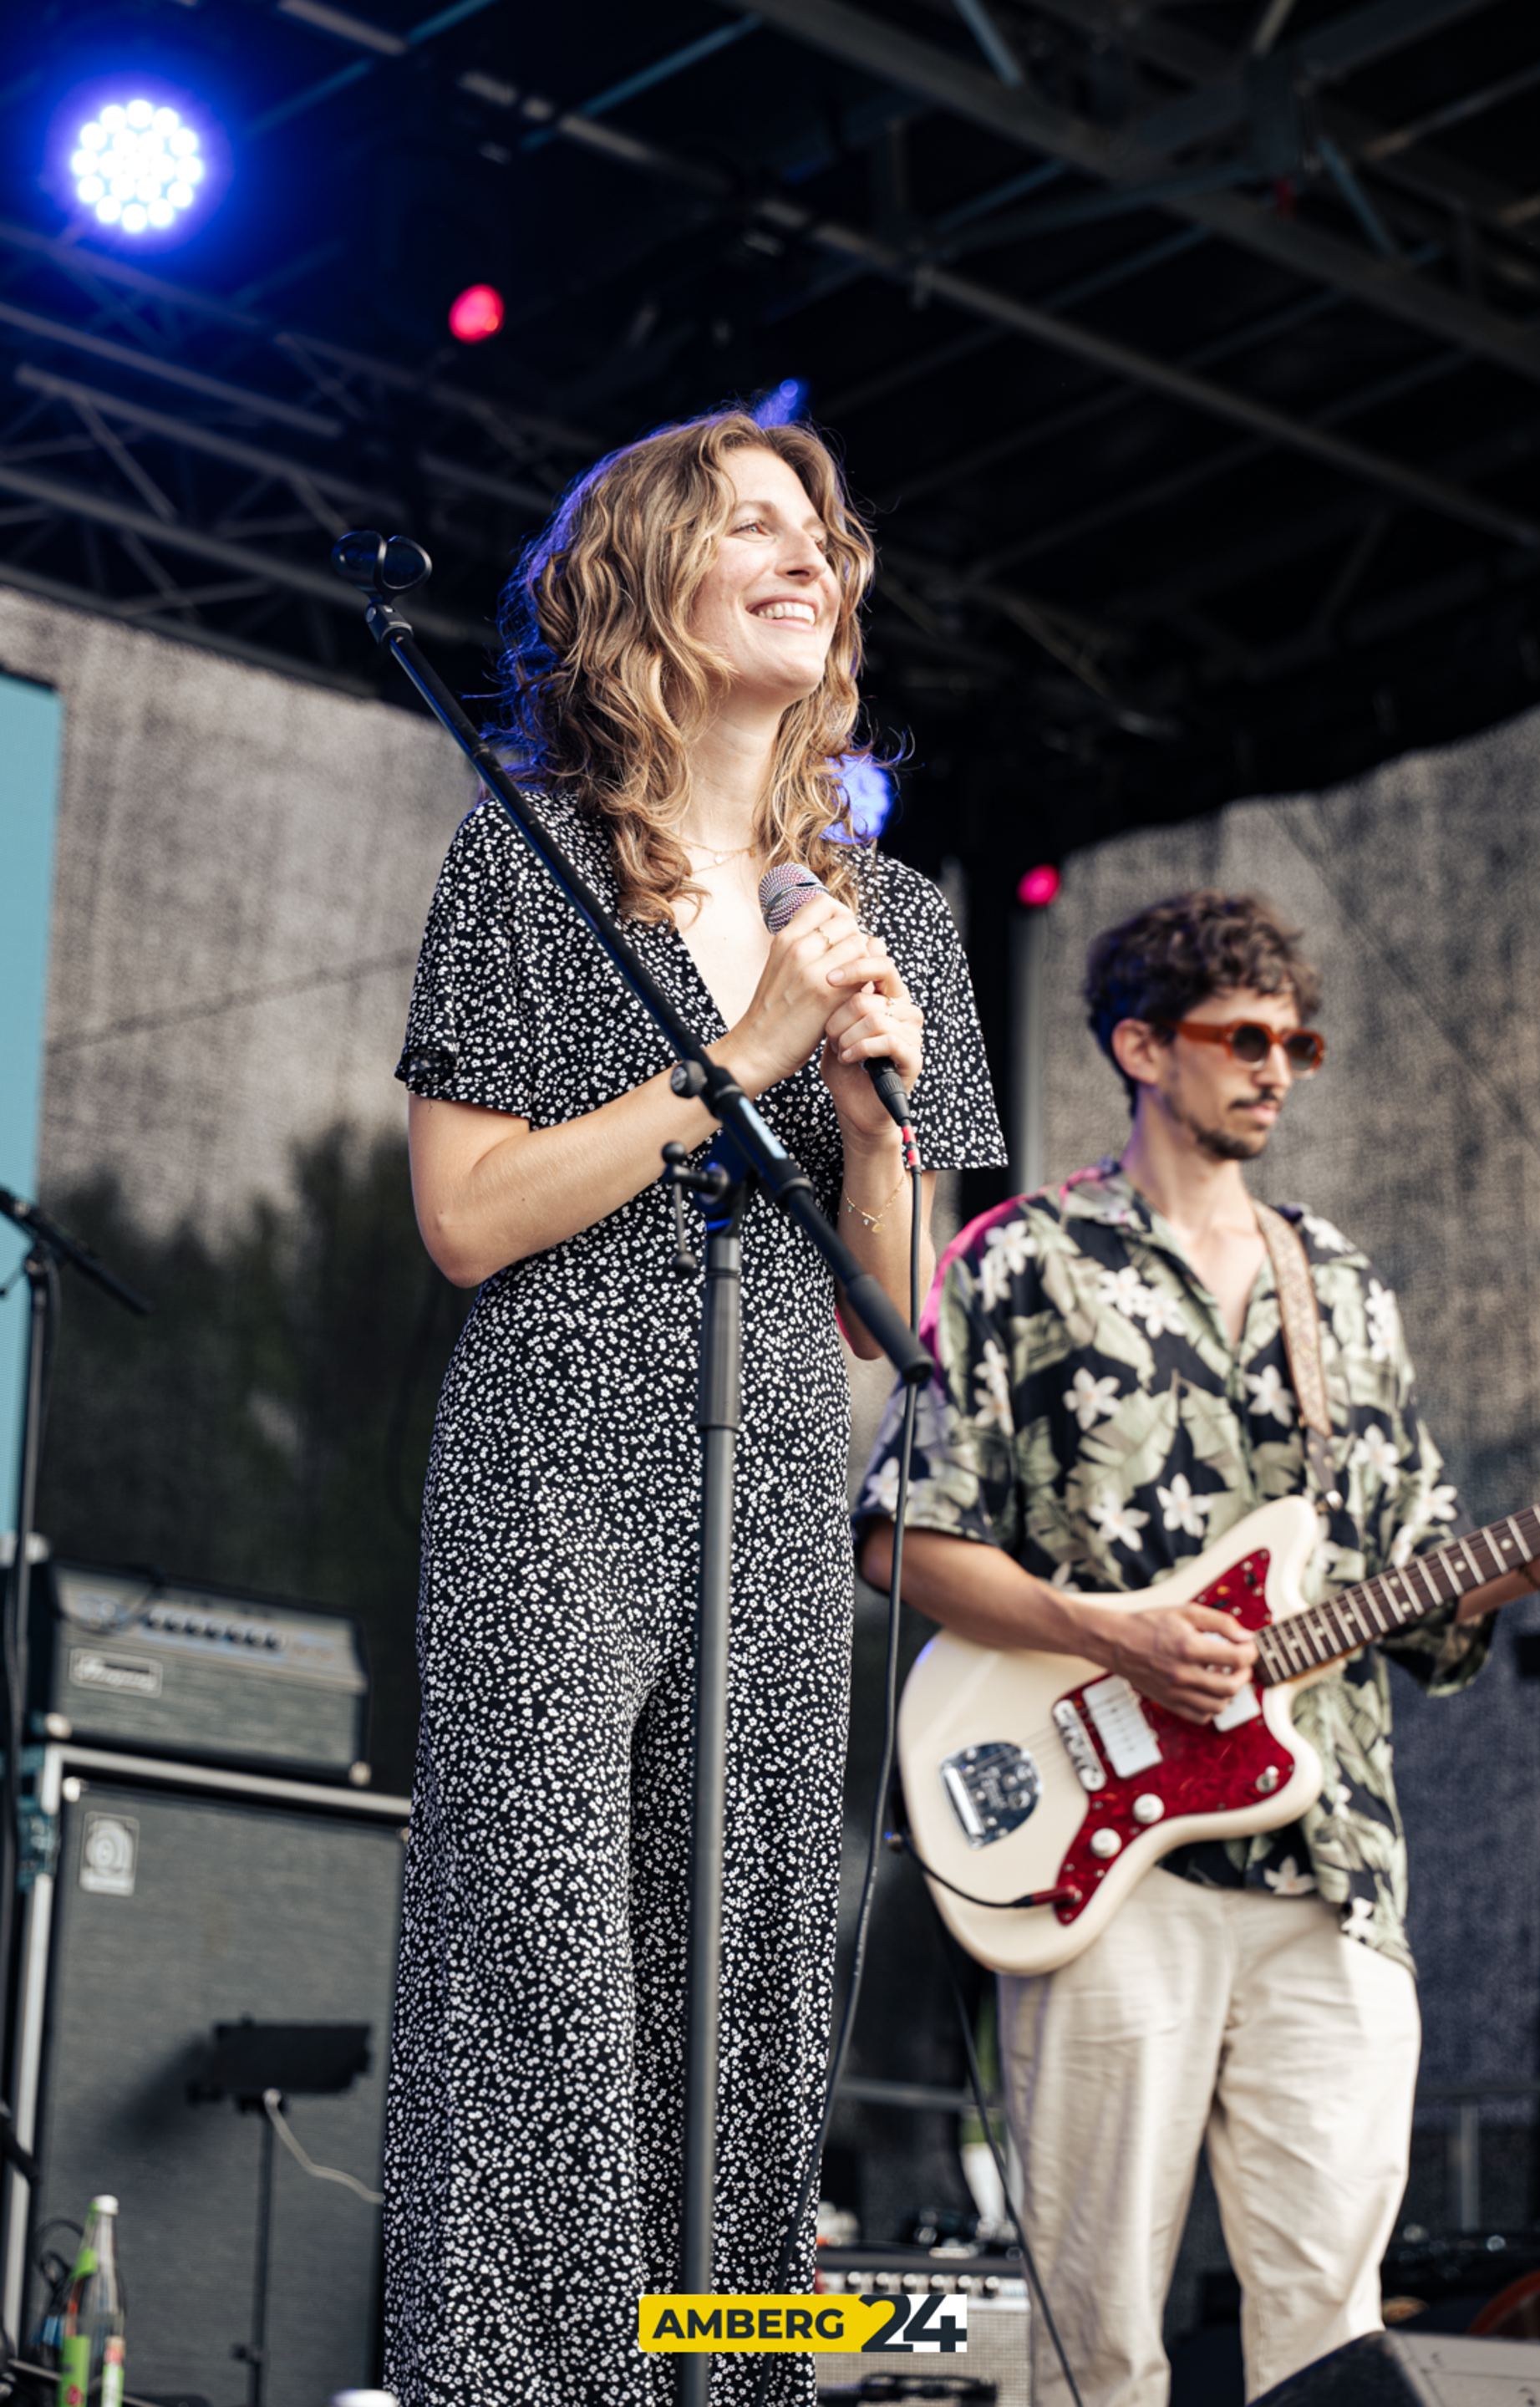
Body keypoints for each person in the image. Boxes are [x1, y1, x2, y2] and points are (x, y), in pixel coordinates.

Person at [382, 409, 1004, 2406]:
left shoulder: (895, 915)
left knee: (739, 2001)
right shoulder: (537, 854)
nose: (802, 548)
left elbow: (896, 1324)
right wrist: (741, 1059)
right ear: (649, 578)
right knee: (540, 1988)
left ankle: (710, 2390)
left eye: (818, 525)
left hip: (768, 1480)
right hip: (553, 1467)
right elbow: (467, 1220)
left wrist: (869, 1125)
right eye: (747, 521)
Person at [856, 891, 1540, 2407]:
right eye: (1243, 1037)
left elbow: (1417, 1582)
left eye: (1297, 1042)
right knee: (1100, 2337)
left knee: (1330, 2325)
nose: (1278, 1067)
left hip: (1331, 1865)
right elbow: (898, 1538)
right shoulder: (1025, 1261)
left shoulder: (1344, 1290)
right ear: (1141, 1046)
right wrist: (1107, 1633)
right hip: (1105, 1868)